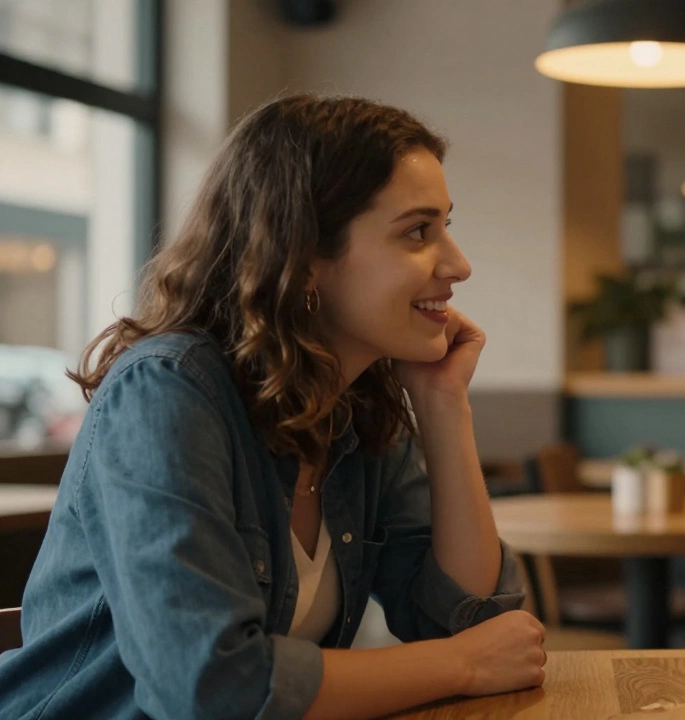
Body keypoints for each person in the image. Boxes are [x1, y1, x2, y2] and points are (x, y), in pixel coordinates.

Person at [0, 95, 547, 720]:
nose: (458, 264)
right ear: (307, 257)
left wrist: (443, 403)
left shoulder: (355, 405)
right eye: (418, 231)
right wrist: (465, 665)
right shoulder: (165, 391)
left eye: (446, 226)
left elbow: (466, 620)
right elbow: (208, 686)